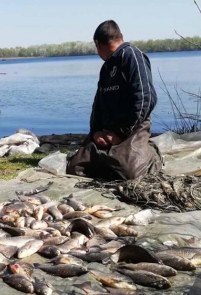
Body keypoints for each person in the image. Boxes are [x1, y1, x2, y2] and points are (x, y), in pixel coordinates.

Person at [66, 20, 162, 180]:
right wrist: (96, 131)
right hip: (106, 131)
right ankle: (110, 156)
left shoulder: (133, 56)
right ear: (120, 35)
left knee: (130, 174)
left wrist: (120, 133)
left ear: (98, 44)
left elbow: (146, 99)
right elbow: (98, 103)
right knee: (75, 168)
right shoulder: (106, 67)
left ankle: (151, 153)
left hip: (132, 128)